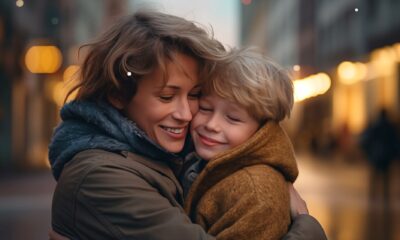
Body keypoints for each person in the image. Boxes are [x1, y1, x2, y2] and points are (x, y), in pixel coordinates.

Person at [49, 10, 326, 240]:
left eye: (194, 95)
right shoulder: (100, 177)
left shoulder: (163, 154)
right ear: (118, 94)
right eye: (167, 96)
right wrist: (307, 225)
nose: (186, 113)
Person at [182, 48, 323, 240]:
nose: (212, 125)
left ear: (261, 129)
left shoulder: (255, 192)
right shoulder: (200, 161)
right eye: (205, 108)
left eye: (232, 118)